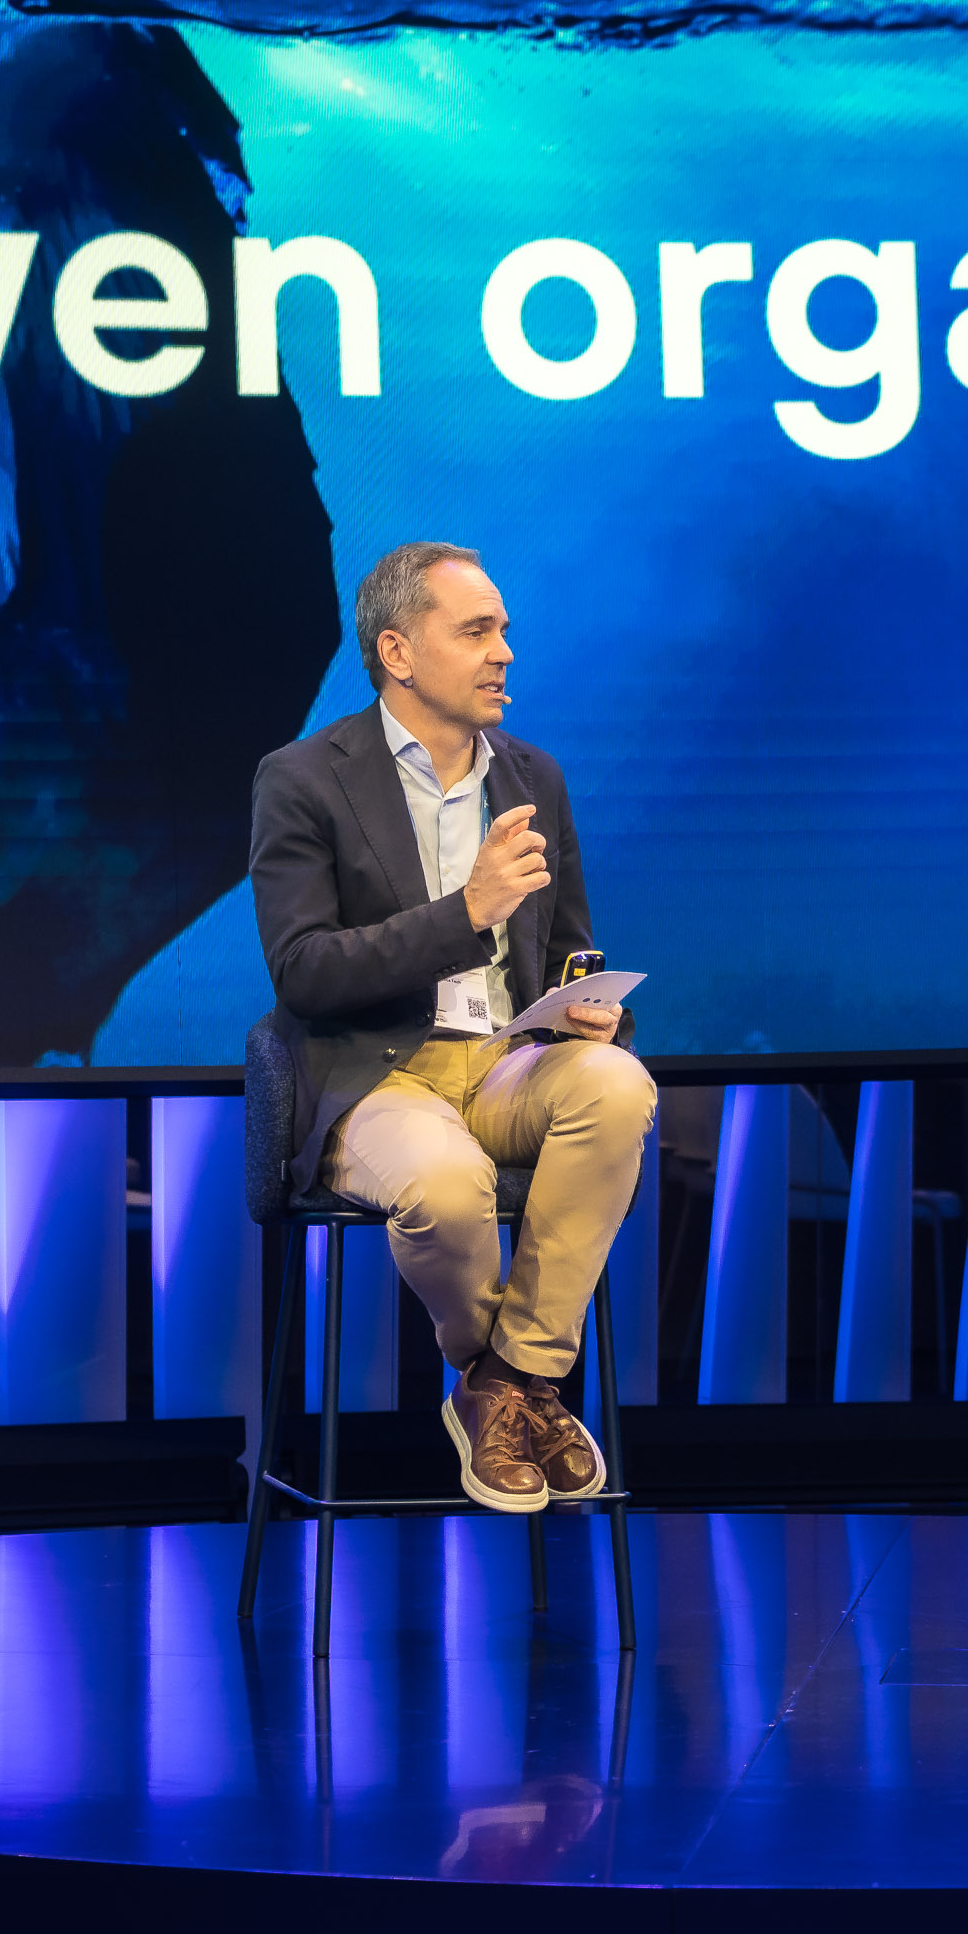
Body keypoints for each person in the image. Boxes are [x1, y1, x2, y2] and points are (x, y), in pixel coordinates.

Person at [247, 541, 655, 1514]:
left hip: (508, 1063)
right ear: (397, 649)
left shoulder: (531, 777)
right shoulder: (303, 778)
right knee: (445, 1181)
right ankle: (501, 1385)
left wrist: (593, 1011)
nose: (503, 652)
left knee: (617, 1088)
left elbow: (570, 947)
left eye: (504, 630)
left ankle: (510, 1380)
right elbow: (302, 971)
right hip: (372, 1078)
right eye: (476, 631)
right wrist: (462, 915)